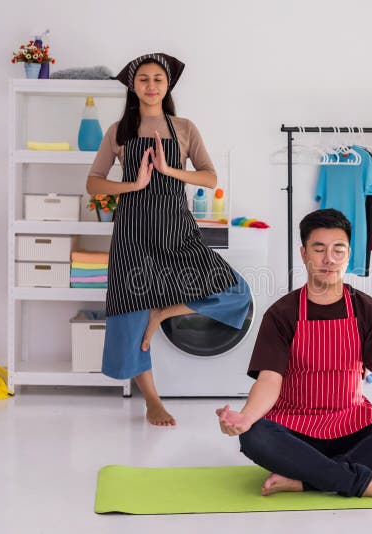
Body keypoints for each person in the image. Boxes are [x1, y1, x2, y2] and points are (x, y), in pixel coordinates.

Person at [216, 208, 372, 499]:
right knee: (255, 435)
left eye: (338, 250)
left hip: (352, 425)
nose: (329, 259)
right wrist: (247, 418)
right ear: (304, 254)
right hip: (295, 429)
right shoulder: (282, 313)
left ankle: (306, 480)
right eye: (319, 249)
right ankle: (368, 483)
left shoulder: (368, 310)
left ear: (348, 254)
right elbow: (269, 380)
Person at [87, 53, 250, 426]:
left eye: (158, 79)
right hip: (132, 232)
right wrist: (135, 184)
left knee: (235, 292)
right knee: (130, 317)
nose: (151, 85)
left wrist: (168, 170)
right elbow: (93, 181)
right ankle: (152, 401)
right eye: (143, 79)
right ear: (134, 86)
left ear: (168, 85)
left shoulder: (184, 128)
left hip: (176, 229)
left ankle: (164, 312)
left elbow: (210, 178)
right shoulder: (118, 130)